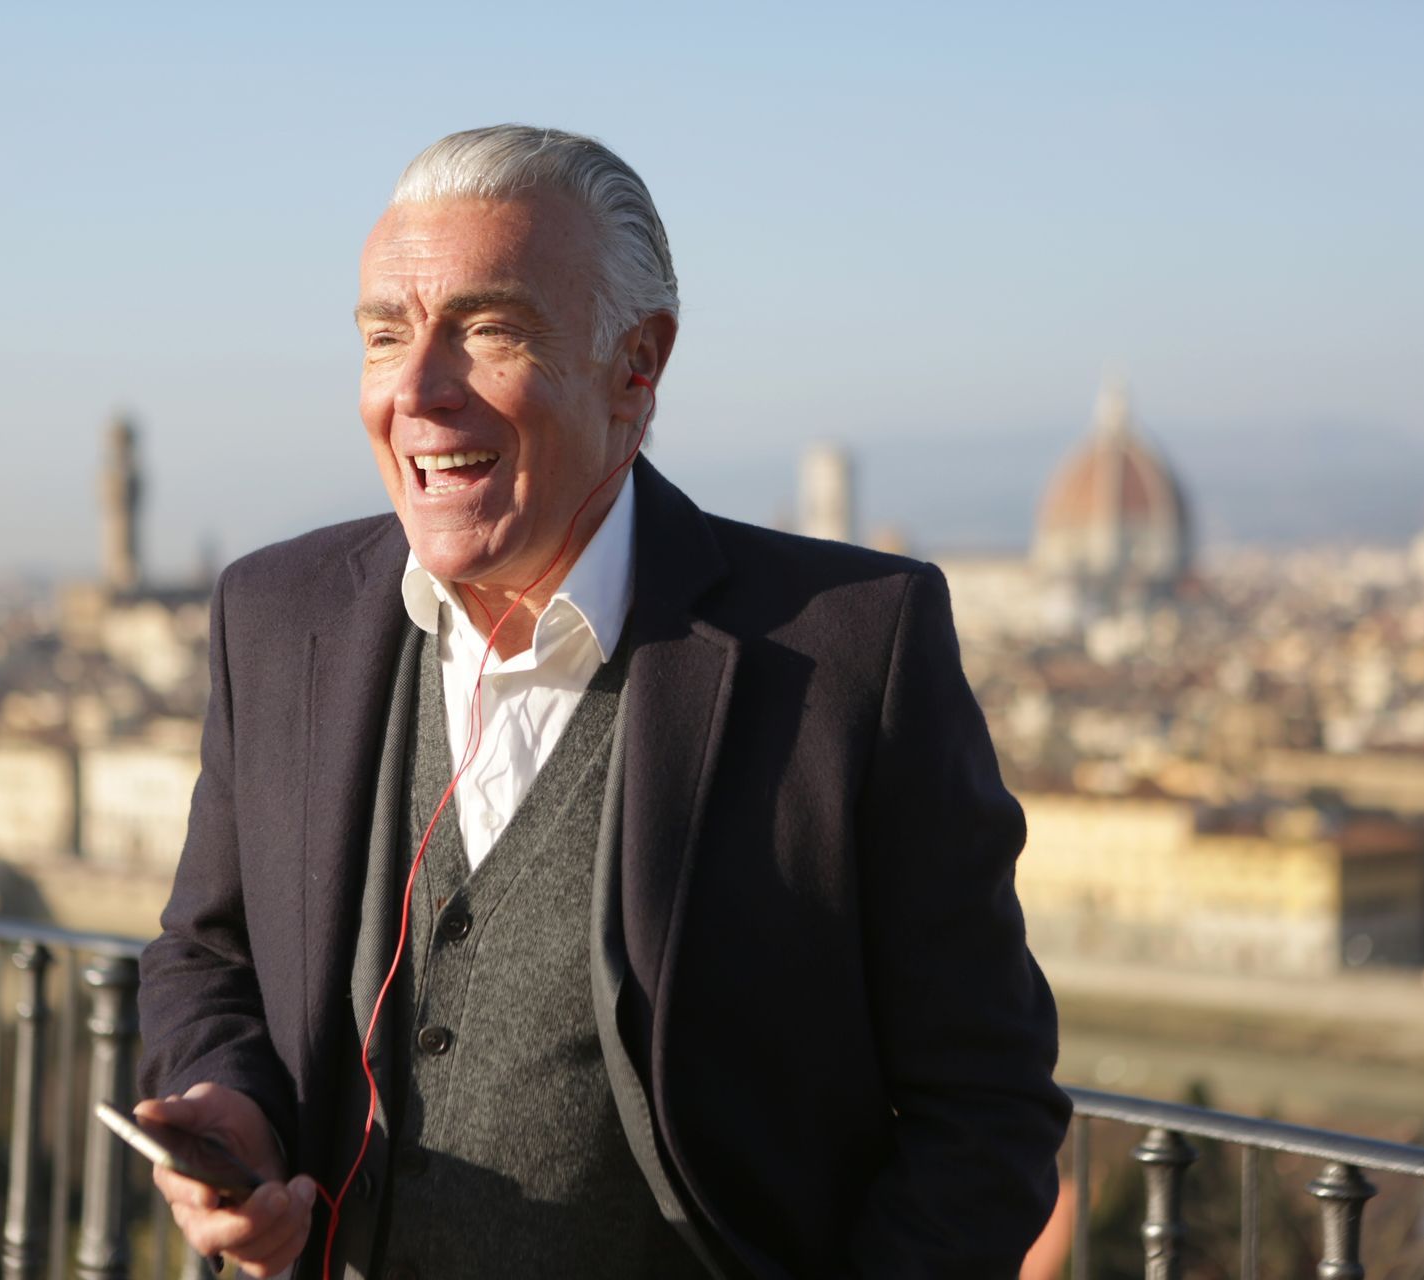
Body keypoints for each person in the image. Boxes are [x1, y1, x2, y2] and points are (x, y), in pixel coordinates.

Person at [135, 123, 1069, 1280]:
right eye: (385, 334)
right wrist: (231, 1100)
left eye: (488, 329)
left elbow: (987, 1107)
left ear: (639, 362)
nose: (418, 391)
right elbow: (207, 951)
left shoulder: (847, 652)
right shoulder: (276, 617)